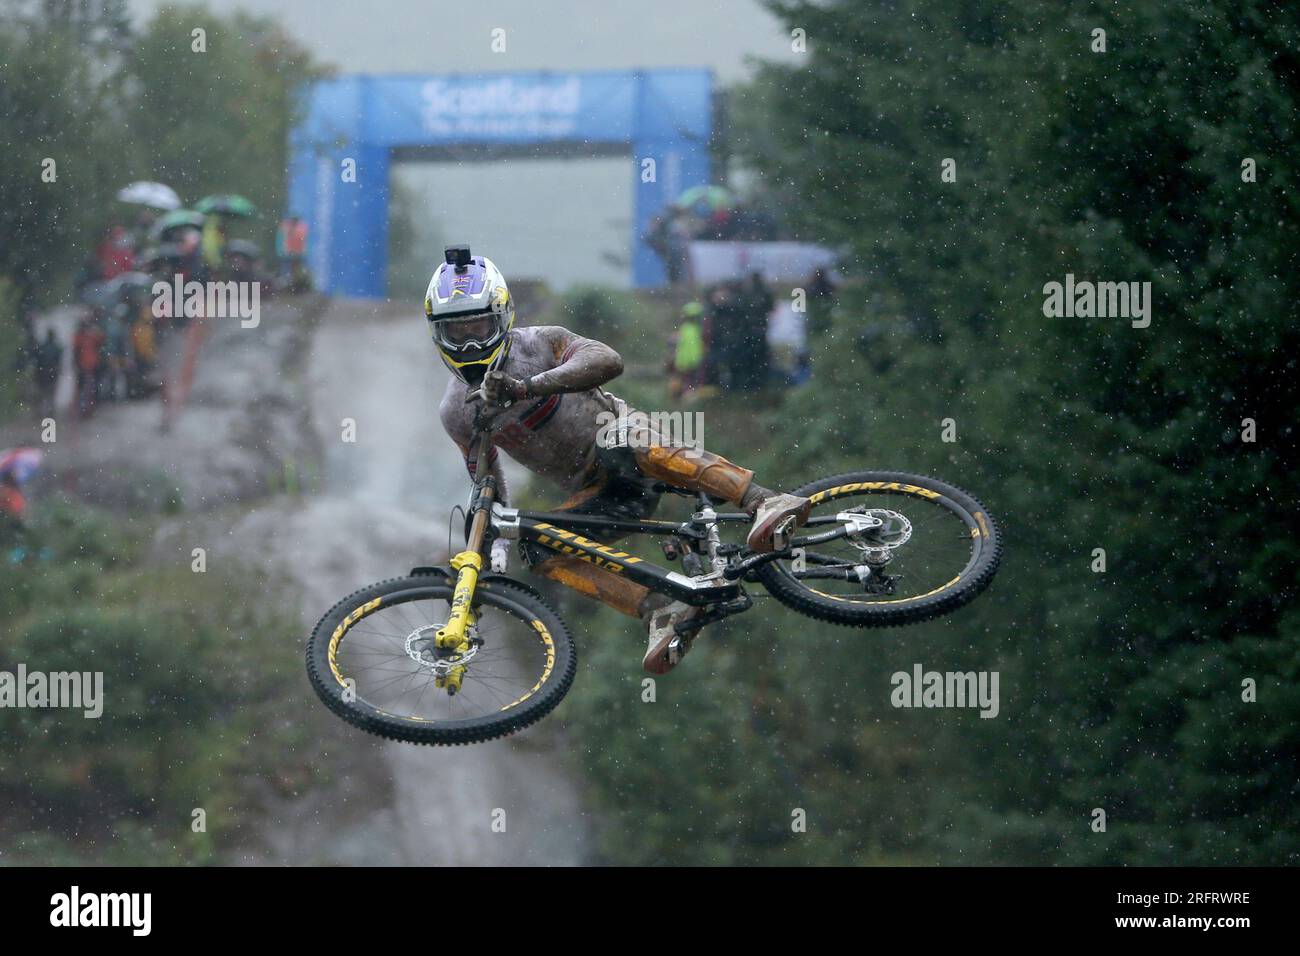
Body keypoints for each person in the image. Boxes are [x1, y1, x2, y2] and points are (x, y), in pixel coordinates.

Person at [430, 247, 811, 675]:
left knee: (620, 439)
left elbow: (607, 360)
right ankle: (663, 610)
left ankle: (762, 500)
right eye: (456, 332)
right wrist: (494, 544)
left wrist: (526, 387)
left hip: (627, 440)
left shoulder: (540, 343)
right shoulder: (457, 411)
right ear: (437, 333)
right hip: (605, 492)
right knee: (540, 549)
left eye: (478, 326)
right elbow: (486, 482)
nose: (470, 342)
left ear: (500, 316)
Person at [666, 301, 706, 400]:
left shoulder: (687, 329)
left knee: (688, 382)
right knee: (689, 382)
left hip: (687, 362)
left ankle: (685, 396)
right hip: (690, 362)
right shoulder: (694, 329)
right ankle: (684, 396)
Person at [32, 329, 63, 419]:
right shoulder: (57, 348)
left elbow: (37, 359)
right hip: (52, 372)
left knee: (42, 391)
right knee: (51, 392)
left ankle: (40, 411)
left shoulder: (41, 347)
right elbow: (59, 361)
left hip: (42, 372)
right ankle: (50, 410)